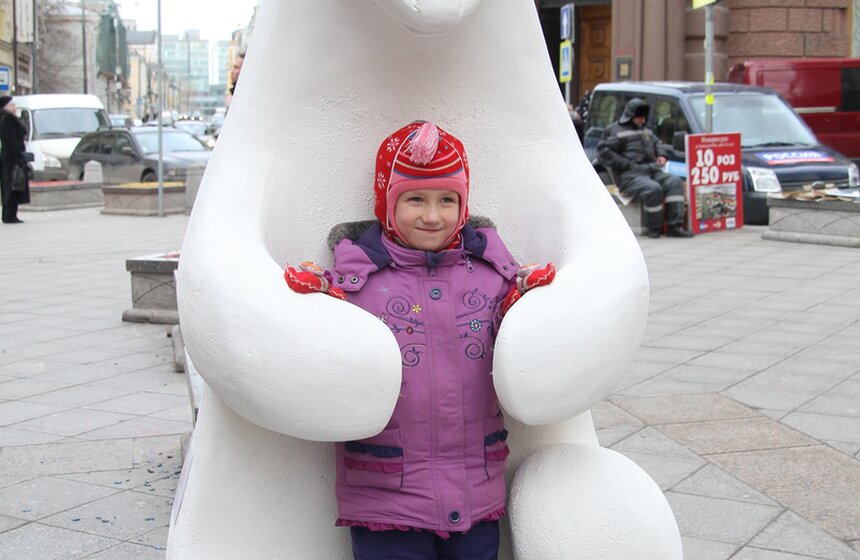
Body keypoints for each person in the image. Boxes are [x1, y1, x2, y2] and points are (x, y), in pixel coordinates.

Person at [283, 120, 555, 560]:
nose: (432, 216)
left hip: (476, 493)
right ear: (388, 203)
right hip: (387, 498)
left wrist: (530, 299)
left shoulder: (493, 277)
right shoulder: (354, 285)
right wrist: (312, 301)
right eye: (415, 200)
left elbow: (521, 341)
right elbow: (320, 354)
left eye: (447, 200)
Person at [597, 98, 693, 238]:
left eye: (644, 117)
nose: (642, 120)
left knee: (674, 182)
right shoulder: (614, 130)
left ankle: (675, 226)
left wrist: (661, 155)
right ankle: (654, 228)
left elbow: (657, 143)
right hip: (629, 175)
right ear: (630, 116)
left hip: (651, 170)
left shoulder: (645, 129)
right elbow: (603, 152)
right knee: (653, 189)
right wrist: (626, 164)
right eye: (639, 117)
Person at [0, 96, 29, 224]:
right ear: (5, 106)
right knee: (13, 184)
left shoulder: (7, 118)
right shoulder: (7, 120)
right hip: (11, 158)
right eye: (11, 105)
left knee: (11, 185)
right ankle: (10, 215)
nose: (14, 107)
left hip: (9, 157)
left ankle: (9, 214)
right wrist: (18, 156)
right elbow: (11, 140)